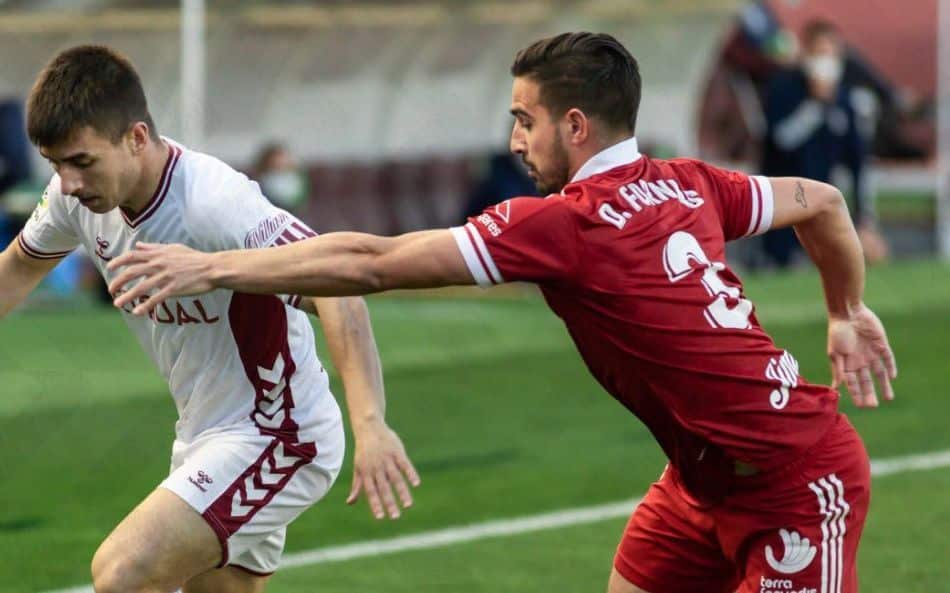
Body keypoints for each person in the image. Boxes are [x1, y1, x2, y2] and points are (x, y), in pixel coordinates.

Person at [109, 32, 897, 593]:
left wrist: (211, 265)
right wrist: (845, 308)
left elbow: (371, 264)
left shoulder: (565, 224)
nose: (515, 138)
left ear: (575, 127)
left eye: (525, 119)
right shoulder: (690, 181)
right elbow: (822, 203)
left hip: (796, 480)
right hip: (698, 487)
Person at [0, 45, 419, 593]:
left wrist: (370, 423)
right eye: (57, 165)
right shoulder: (73, 199)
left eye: (82, 162)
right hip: (202, 433)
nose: (69, 182)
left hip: (279, 435)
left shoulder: (211, 202)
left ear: (136, 138)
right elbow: (15, 270)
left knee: (123, 572)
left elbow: (338, 290)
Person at [762, 20, 888, 266]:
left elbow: (858, 163)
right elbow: (782, 141)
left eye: (831, 55)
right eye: (819, 54)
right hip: (783, 209)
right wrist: (816, 105)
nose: (825, 63)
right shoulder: (782, 89)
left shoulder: (845, 101)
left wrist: (865, 220)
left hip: (821, 208)